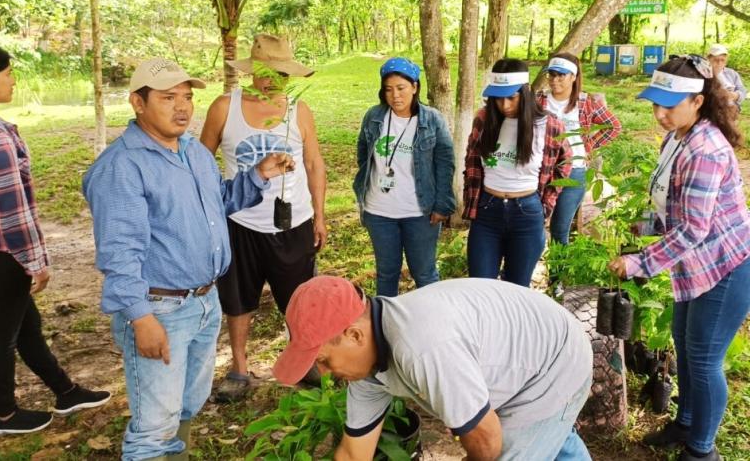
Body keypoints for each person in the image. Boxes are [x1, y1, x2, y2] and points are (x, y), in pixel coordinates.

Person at [83, 57, 293, 460]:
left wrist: (259, 175)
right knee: (153, 426)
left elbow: (222, 201)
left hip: (204, 301)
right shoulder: (123, 167)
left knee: (186, 405)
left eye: (187, 97)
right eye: (167, 98)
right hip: (159, 308)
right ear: (138, 103)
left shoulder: (193, 152)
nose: (182, 107)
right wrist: (141, 318)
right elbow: (119, 253)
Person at [0, 41, 110, 436]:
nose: (14, 81)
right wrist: (35, 262)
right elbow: (12, 209)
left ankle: (66, 391)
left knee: (25, 325)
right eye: (7, 74)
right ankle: (3, 415)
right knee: (2, 334)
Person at [272, 276, 594, 461]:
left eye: (324, 361)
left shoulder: (421, 346)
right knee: (545, 439)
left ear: (354, 335)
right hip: (515, 362)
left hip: (554, 363)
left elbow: (486, 441)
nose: (325, 374)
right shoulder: (366, 373)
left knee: (512, 449)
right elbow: (354, 455)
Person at [608, 55, 750, 461]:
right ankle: (685, 422)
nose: (659, 114)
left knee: (705, 360)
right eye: (655, 104)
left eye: (669, 106)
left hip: (724, 266)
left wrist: (639, 263)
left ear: (698, 101)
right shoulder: (677, 139)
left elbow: (693, 229)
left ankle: (702, 451)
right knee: (685, 347)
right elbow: (669, 200)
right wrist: (644, 229)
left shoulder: (704, 148)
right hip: (694, 264)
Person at [200, 34, 327, 402]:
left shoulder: (298, 111)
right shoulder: (225, 107)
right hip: (240, 222)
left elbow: (314, 163)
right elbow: (201, 161)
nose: (271, 79)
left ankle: (303, 363)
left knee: (298, 297)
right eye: (264, 71)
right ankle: (239, 368)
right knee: (238, 299)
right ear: (251, 69)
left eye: (280, 72)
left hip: (294, 221)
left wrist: (319, 215)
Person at [463, 58, 572, 287]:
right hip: (487, 212)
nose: (504, 105)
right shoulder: (484, 119)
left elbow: (566, 162)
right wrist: (471, 201)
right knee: (480, 286)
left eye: (511, 97)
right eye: (498, 98)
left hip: (527, 213)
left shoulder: (548, 124)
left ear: (525, 92)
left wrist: (547, 203)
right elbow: (472, 159)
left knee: (517, 289)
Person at [352, 57, 455, 297]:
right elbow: (363, 155)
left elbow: (445, 163)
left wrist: (442, 204)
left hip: (419, 212)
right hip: (379, 212)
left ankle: (431, 328)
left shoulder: (431, 120)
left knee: (425, 274)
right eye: (388, 89)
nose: (395, 96)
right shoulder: (374, 117)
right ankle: (384, 328)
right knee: (386, 273)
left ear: (415, 87)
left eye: (401, 88)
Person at [537, 53, 622, 246]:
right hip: (542, 171)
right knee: (535, 223)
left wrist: (589, 146)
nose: (554, 80)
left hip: (574, 171)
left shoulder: (585, 102)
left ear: (573, 77)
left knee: (560, 227)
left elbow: (614, 126)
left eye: (561, 75)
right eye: (551, 74)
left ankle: (557, 275)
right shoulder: (538, 100)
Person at [707, 44, 746, 111]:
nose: (719, 63)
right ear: (708, 59)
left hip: (731, 109)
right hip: (712, 109)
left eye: (722, 60)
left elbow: (742, 90)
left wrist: (735, 95)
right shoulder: (704, 74)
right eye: (716, 60)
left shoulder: (731, 73)